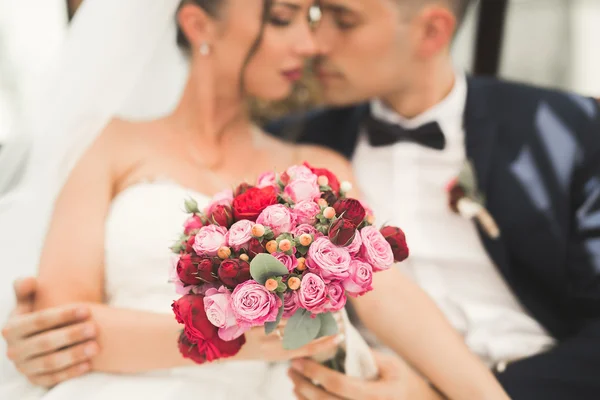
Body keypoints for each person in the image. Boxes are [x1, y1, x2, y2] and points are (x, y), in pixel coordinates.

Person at [0, 0, 508, 399]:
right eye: (283, 19)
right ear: (200, 25)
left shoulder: (315, 165)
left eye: (309, 18)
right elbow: (63, 330)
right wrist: (241, 341)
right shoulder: (109, 144)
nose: (310, 44)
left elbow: (393, 300)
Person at [266, 0, 600, 399]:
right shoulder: (297, 145)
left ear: (432, 32)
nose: (314, 43)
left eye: (343, 20)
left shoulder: (564, 129)